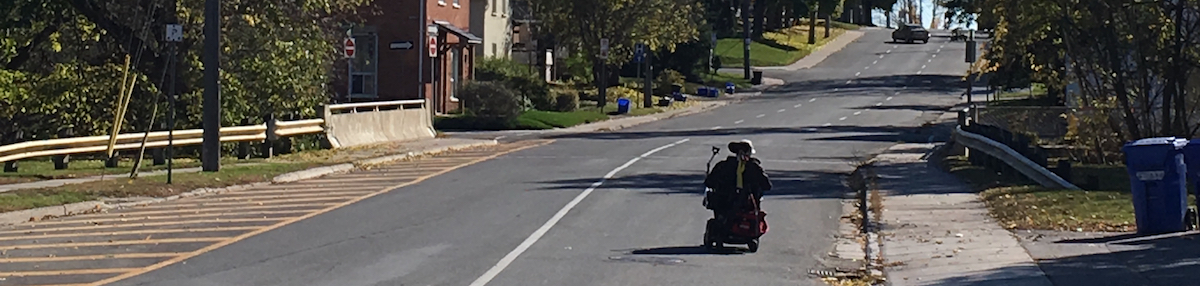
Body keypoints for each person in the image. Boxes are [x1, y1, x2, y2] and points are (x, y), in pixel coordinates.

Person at [703, 140, 772, 225]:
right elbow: (767, 186)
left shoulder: (722, 166)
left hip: (724, 209)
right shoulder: (754, 168)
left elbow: (709, 182)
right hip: (748, 210)